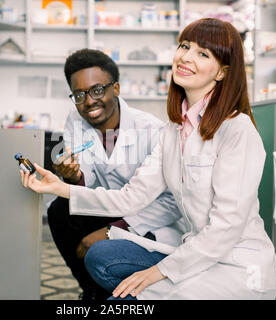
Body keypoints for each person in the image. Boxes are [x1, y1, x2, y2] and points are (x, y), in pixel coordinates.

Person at [22, 18, 276, 300]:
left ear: (222, 73)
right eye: (184, 46)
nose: (186, 57)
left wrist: (156, 273)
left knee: (126, 300)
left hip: (238, 268)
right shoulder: (174, 131)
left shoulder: (236, 130)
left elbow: (225, 230)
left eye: (203, 54)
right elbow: (128, 198)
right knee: (101, 260)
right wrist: (58, 187)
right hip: (195, 256)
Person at [46, 48, 186, 300]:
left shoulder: (152, 131)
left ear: (116, 89)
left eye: (97, 90)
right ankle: (93, 291)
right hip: (107, 204)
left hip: (147, 216)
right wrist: (72, 174)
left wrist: (116, 229)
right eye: (79, 94)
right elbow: (84, 174)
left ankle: (110, 285)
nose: (89, 101)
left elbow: (172, 201)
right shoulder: (75, 120)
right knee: (59, 210)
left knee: (97, 248)